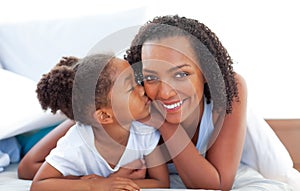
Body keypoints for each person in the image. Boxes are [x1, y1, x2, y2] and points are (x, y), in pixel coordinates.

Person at [19, 15, 293, 191]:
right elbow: (31, 166)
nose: (165, 92)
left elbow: (217, 184)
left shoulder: (229, 89)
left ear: (205, 73)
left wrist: (163, 124)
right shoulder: (128, 103)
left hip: (254, 158)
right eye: (150, 76)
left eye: (182, 74)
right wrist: (98, 182)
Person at [29, 54, 169, 191]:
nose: (143, 89)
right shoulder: (76, 144)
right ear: (105, 115)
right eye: (131, 88)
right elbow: (39, 184)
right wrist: (95, 185)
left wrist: (114, 181)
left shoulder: (145, 130)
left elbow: (161, 183)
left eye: (137, 81)